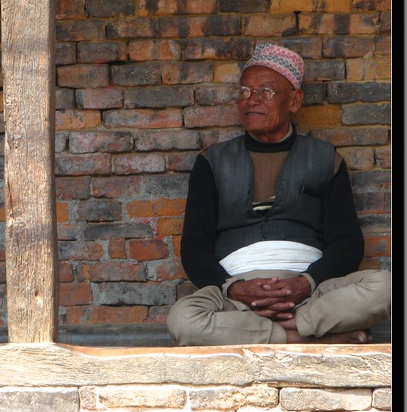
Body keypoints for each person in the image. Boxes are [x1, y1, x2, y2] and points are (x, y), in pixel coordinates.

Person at [167, 42, 391, 345]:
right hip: (237, 296)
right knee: (182, 320)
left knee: (386, 287)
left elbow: (347, 243)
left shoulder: (326, 159)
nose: (251, 101)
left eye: (266, 92)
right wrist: (234, 288)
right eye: (244, 92)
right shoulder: (212, 161)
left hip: (311, 293)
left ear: (295, 101)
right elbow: (195, 248)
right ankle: (305, 336)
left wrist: (304, 283)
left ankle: (286, 329)